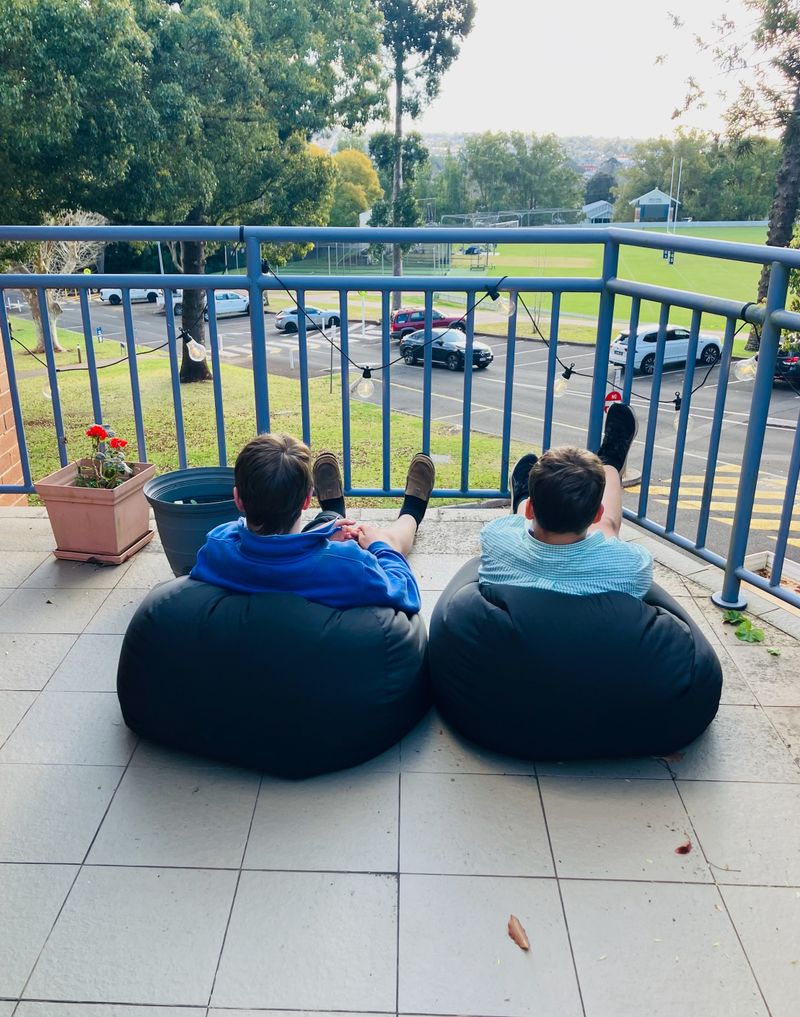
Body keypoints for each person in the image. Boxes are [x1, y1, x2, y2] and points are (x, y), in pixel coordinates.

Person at [191, 433, 435, 613]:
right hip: (331, 565)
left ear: (237, 499)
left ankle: (332, 512)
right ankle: (412, 513)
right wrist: (379, 546)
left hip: (299, 551)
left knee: (329, 522)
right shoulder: (349, 565)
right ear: (307, 499)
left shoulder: (216, 547)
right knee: (390, 539)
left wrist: (321, 538)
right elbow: (406, 591)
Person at [479, 403, 652, 598]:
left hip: (517, 607)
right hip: (592, 610)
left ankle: (522, 497)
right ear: (597, 514)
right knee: (607, 527)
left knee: (521, 525)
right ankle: (610, 459)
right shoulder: (634, 566)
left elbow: (514, 525)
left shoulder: (493, 538)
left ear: (529, 509)